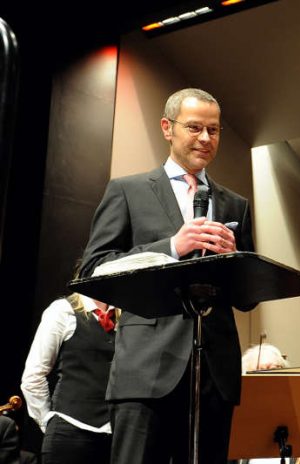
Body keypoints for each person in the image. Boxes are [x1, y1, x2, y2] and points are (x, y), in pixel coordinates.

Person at [78, 88, 256, 464]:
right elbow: (95, 269)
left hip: (215, 374)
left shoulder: (235, 204)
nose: (206, 139)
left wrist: (236, 261)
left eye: (214, 130)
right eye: (194, 127)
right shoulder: (128, 191)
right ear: (167, 128)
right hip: (146, 371)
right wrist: (171, 246)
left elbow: (246, 297)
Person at [20, 292, 115, 464]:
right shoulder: (63, 310)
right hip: (70, 431)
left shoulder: (125, 316)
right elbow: (34, 376)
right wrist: (48, 421)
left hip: (113, 436)